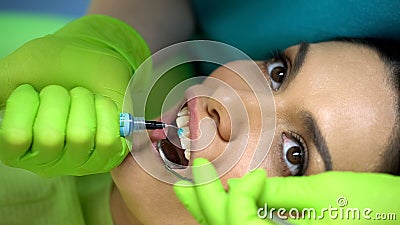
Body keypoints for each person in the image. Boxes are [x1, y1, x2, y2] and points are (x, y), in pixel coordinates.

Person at [0, 1, 398, 225]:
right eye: (278, 73)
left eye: (294, 155)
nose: (231, 103)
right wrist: (114, 35)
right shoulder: (31, 59)